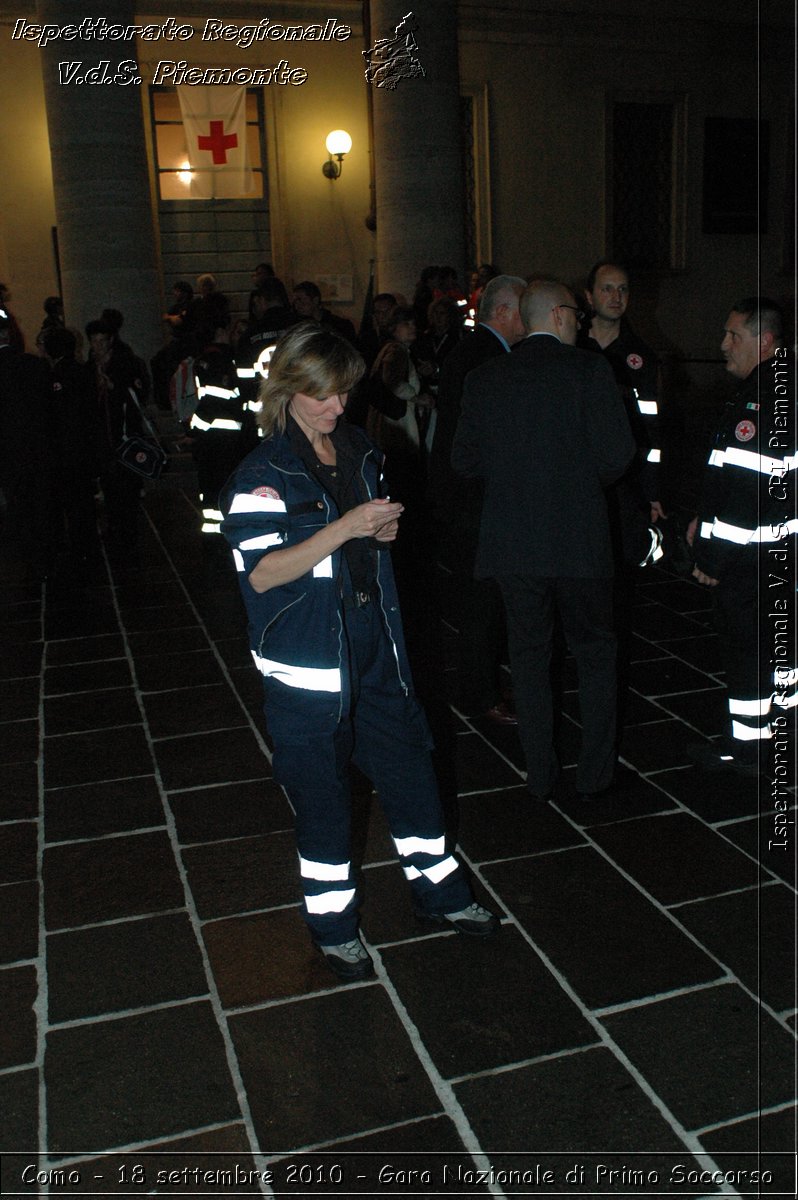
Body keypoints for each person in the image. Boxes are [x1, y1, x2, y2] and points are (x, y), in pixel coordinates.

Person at [221, 322, 498, 980]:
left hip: (374, 644)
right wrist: (346, 527)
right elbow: (262, 572)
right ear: (288, 388)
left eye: (344, 393)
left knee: (412, 779)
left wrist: (382, 532)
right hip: (310, 668)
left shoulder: (358, 446)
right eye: (323, 395)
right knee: (324, 806)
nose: (337, 407)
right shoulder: (264, 473)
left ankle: (443, 896)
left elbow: (366, 546)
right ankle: (334, 930)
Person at [452, 279, 635, 800]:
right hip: (580, 542)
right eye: (575, 314)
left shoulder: (486, 378)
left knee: (529, 658)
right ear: (557, 315)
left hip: (513, 542)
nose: (580, 323)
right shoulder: (590, 370)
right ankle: (596, 774)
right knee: (596, 655)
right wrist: (576, 485)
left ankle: (541, 775)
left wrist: (515, 478)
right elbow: (618, 454)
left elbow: (463, 459)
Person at [687, 297, 795, 775]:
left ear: (765, 341)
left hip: (750, 562)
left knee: (749, 655)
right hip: (779, 554)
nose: (723, 345)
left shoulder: (763, 397)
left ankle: (752, 752)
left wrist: (711, 557)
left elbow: (745, 491)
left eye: (734, 336)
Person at [429, 274, 527, 725]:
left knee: (482, 600)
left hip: (467, 498)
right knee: (481, 602)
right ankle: (480, 694)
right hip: (476, 502)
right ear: (505, 310)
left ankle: (483, 685)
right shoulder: (486, 358)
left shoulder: (474, 352)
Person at [579, 261, 664, 568]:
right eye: (607, 288)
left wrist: (651, 489)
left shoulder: (641, 356)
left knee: (622, 563)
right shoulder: (573, 347)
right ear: (589, 296)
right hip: (579, 474)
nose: (616, 296)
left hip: (624, 477)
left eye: (623, 289)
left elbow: (651, 426)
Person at [291, 281, 357, 344]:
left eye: (300, 300)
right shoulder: (297, 326)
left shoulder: (341, 326)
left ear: (315, 300)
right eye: (295, 302)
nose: (297, 306)